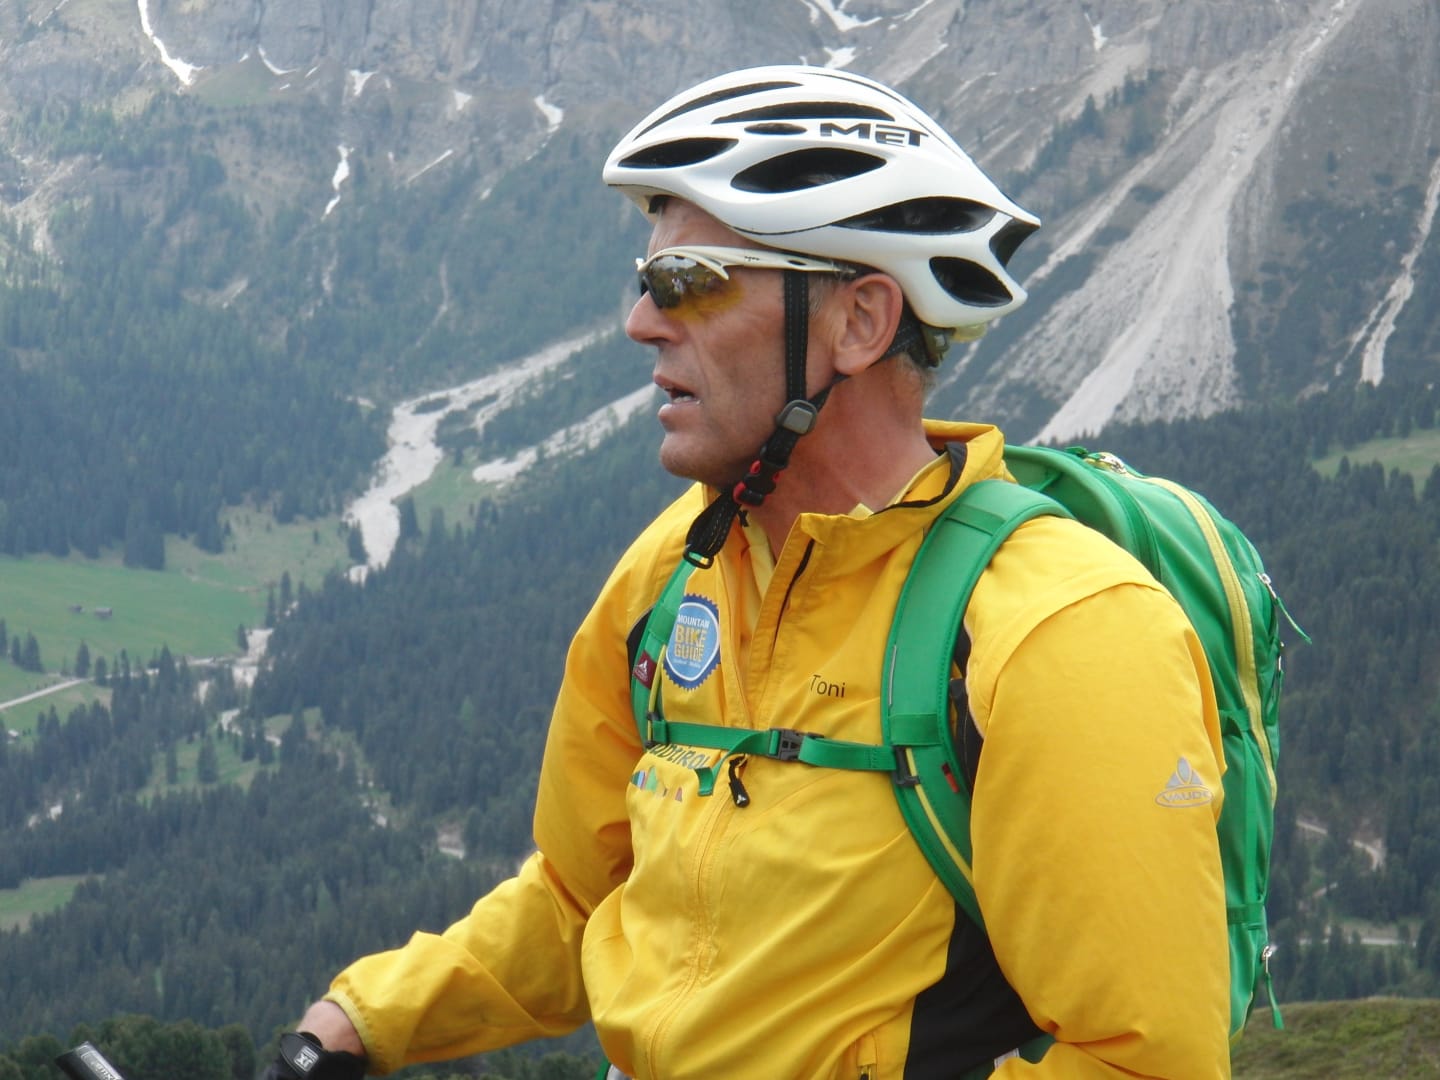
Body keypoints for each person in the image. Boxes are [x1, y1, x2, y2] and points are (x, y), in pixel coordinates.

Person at [275, 66, 1231, 1079]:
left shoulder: (1061, 628)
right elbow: (583, 894)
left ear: (859, 323)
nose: (642, 321)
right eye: (646, 281)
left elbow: (1145, 1063)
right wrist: (359, 1021)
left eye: (689, 280)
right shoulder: (672, 570)